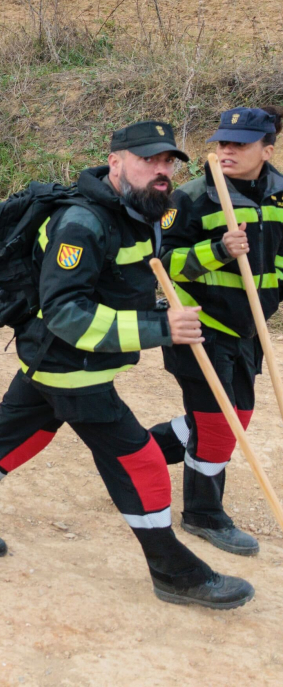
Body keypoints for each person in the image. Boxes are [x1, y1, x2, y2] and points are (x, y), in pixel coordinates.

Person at [0, 120, 254, 609]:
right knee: (139, 461)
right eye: (149, 161)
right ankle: (176, 573)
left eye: (167, 162)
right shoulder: (83, 223)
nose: (161, 172)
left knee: (16, 433)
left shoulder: (141, 214)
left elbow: (154, 273)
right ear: (116, 162)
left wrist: (216, 253)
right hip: (69, 364)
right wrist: (162, 329)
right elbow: (64, 313)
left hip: (58, 361)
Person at [150, 106, 282, 556]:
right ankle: (204, 514)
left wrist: (274, 292)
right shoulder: (192, 198)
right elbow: (160, 264)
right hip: (198, 325)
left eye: (240, 145)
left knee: (236, 417)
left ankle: (138, 453)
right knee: (218, 426)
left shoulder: (280, 197)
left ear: (267, 149)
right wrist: (218, 250)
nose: (227, 150)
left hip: (249, 328)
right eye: (223, 142)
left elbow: (277, 258)